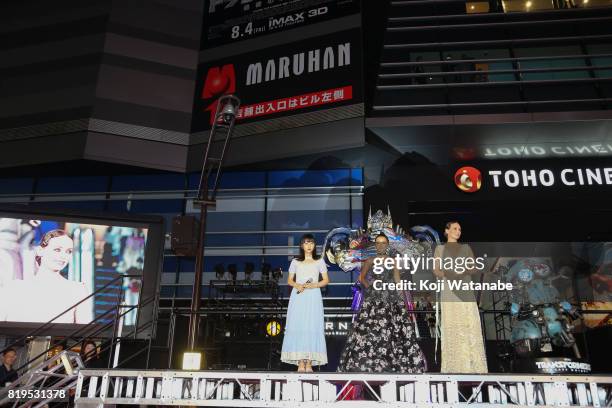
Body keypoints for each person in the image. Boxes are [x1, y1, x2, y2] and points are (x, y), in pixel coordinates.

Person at [338, 233, 426, 373]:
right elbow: (362, 278)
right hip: (374, 300)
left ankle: (392, 364)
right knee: (372, 331)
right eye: (378, 243)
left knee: (392, 331)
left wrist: (402, 296)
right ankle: (372, 364)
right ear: (375, 245)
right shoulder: (370, 260)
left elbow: (397, 280)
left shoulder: (393, 261)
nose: (380, 245)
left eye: (383, 242)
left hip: (391, 299)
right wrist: (371, 287)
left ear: (387, 245)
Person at [0, 229, 92, 324]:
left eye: (68, 251)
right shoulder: (14, 288)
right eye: (57, 250)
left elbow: (86, 335)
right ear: (40, 251)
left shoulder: (77, 290)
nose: (63, 256)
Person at [433, 221, 488, 373]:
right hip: (449, 289)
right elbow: (436, 270)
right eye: (455, 228)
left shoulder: (466, 248)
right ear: (447, 231)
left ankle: (474, 366)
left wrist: (463, 270)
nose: (458, 231)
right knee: (453, 322)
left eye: (460, 229)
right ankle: (455, 366)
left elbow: (473, 267)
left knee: (468, 321)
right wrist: (448, 273)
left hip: (464, 287)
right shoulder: (440, 248)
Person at [281, 234, 329, 372]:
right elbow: (289, 280)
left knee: (311, 325)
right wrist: (298, 285)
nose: (309, 246)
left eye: (311, 243)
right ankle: (300, 362)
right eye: (306, 243)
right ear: (302, 245)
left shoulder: (319, 261)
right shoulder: (295, 262)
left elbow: (326, 280)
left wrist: (315, 285)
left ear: (314, 246)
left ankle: (309, 362)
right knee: (299, 325)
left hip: (313, 296)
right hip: (299, 297)